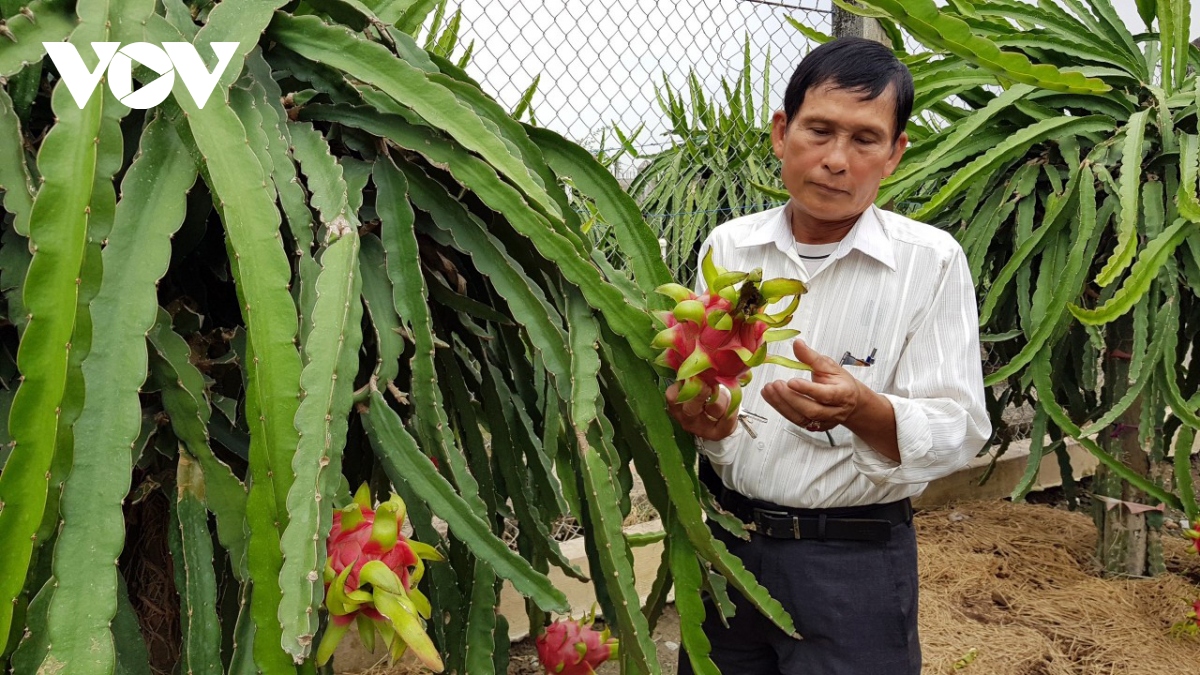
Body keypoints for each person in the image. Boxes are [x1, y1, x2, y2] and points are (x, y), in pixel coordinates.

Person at [667, 37, 992, 675]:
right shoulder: (729, 246)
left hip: (855, 566)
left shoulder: (930, 262)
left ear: (895, 154)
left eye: (865, 140)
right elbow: (708, 382)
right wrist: (710, 423)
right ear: (782, 132)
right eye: (818, 130)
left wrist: (865, 411)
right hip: (727, 544)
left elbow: (960, 429)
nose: (836, 161)